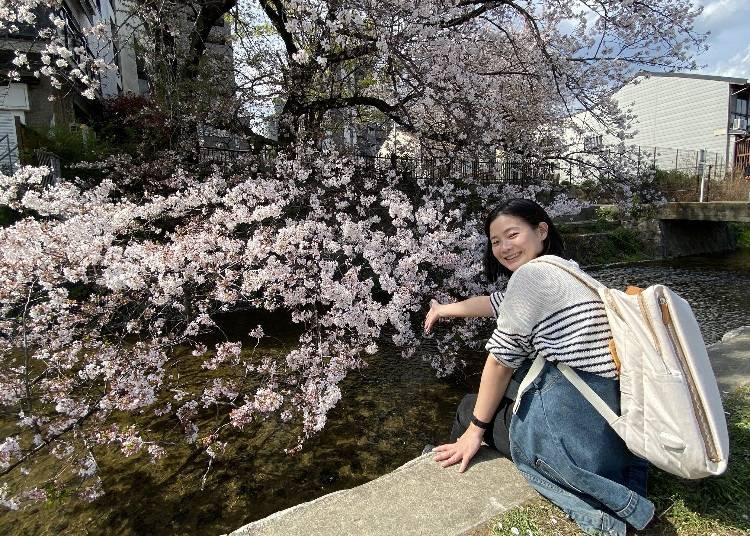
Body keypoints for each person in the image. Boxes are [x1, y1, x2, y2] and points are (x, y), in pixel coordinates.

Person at [423, 198, 653, 536]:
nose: (503, 247)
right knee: (511, 390)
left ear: (541, 230)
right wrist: (445, 309)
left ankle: (458, 456)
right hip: (606, 423)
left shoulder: (531, 279)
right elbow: (493, 304)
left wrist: (475, 431)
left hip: (574, 435)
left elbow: (500, 360)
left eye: (512, 234)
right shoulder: (565, 270)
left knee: (470, 408)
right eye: (495, 241)